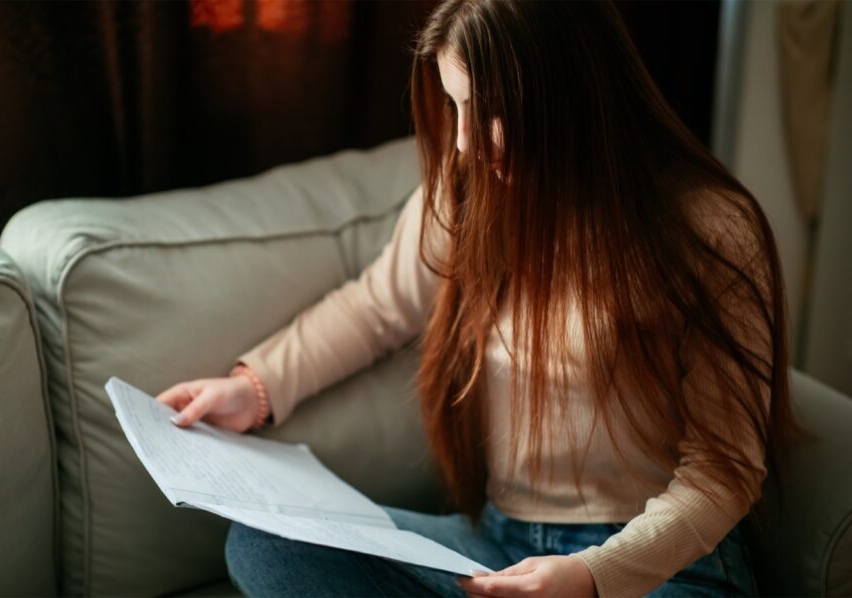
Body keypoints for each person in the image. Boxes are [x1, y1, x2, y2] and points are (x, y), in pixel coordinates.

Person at [155, 0, 799, 596]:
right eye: (455, 105)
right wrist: (254, 388)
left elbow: (724, 469)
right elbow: (376, 307)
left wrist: (592, 576)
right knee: (266, 547)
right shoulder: (470, 192)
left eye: (486, 108)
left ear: (570, 93)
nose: (463, 141)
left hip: (659, 567)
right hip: (498, 542)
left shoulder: (711, 228)